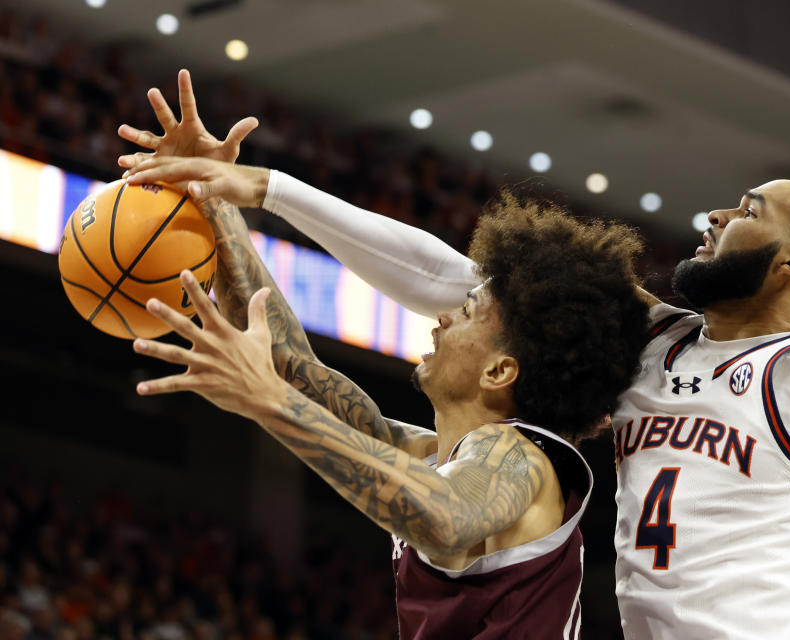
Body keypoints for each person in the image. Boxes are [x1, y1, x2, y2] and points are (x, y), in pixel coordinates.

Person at [121, 71, 790, 639]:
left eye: (744, 210)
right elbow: (452, 277)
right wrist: (256, 191)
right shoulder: (655, 341)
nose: (713, 216)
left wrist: (270, 393)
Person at [120, 69, 651, 640]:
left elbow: (446, 518)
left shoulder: (522, 456)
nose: (443, 316)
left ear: (501, 370)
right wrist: (212, 198)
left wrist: (268, 401)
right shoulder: (431, 454)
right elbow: (292, 374)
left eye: (468, 312)